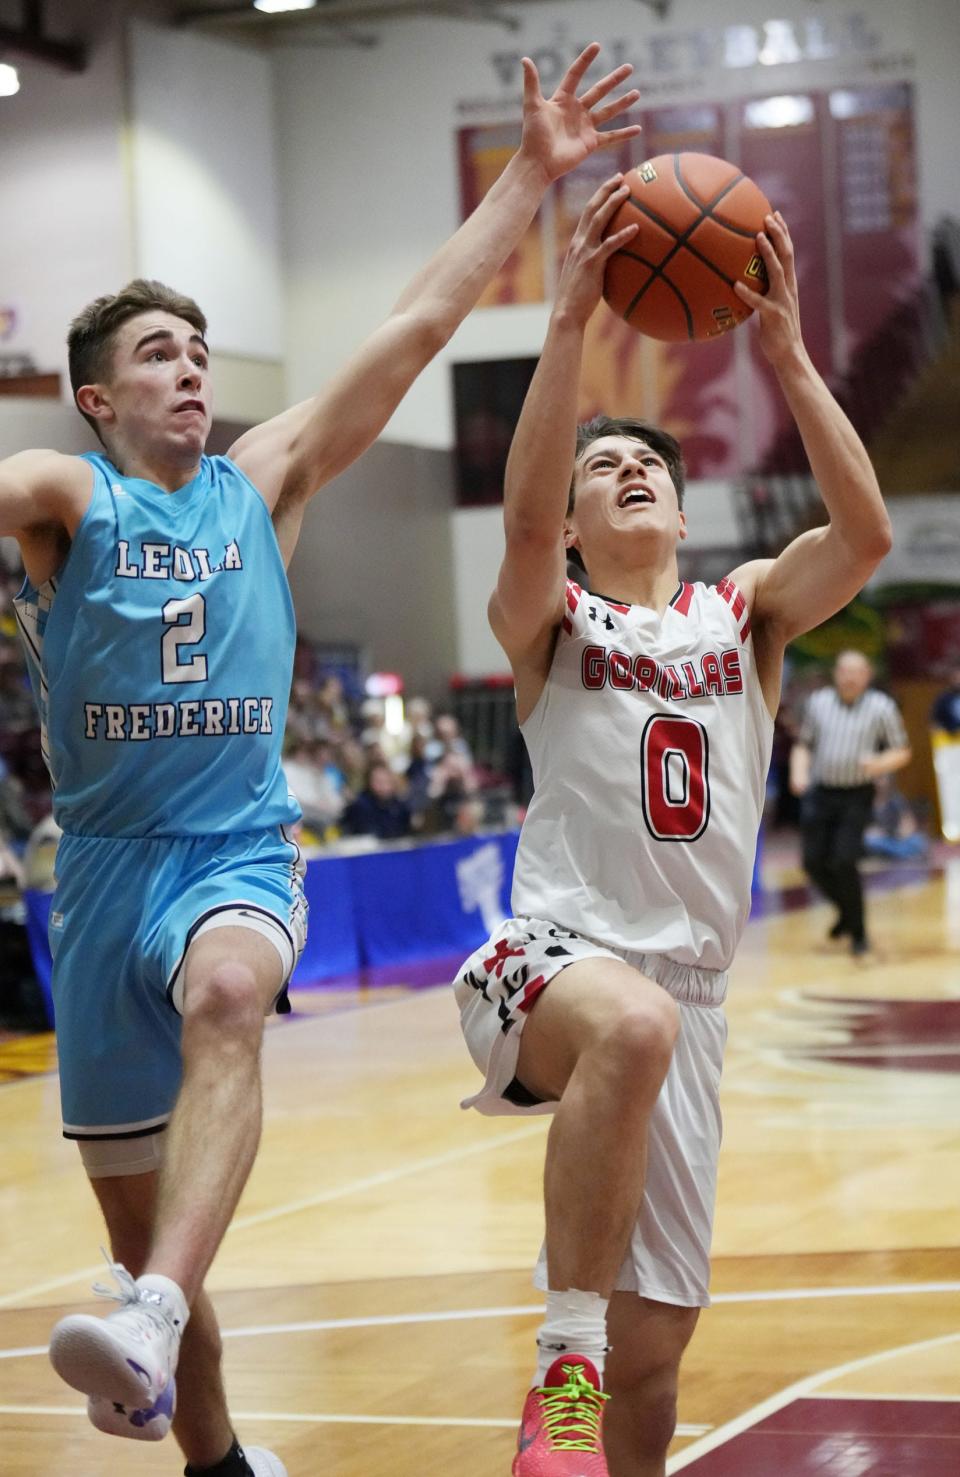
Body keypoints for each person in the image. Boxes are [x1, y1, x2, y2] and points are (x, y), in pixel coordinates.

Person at [0, 46, 641, 1476]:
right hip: (99, 878)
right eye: (156, 353)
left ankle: (153, 1306)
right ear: (95, 399)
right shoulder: (65, 496)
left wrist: (532, 176)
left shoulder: (261, 482)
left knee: (234, 988)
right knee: (148, 1217)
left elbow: (417, 322)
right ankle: (212, 1446)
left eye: (198, 348)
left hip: (230, 856)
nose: (190, 368)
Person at [451, 177, 892, 1477]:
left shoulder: (746, 614)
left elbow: (861, 532)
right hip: (552, 960)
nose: (629, 470)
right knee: (628, 1029)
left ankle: (594, 1396)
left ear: (687, 517)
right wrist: (568, 322)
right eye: (604, 469)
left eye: (649, 463)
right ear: (575, 532)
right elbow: (521, 518)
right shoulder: (553, 625)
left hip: (692, 998)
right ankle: (558, 1367)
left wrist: (793, 362)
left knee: (663, 1351)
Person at [790, 650, 910, 956]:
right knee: (812, 862)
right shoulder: (818, 703)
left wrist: (880, 763)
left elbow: (901, 750)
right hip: (821, 791)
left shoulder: (881, 707)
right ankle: (845, 912)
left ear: (867, 675)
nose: (850, 677)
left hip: (857, 793)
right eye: (845, 671)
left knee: (844, 860)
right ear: (836, 674)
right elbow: (804, 744)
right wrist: (799, 772)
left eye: (857, 672)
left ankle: (858, 932)